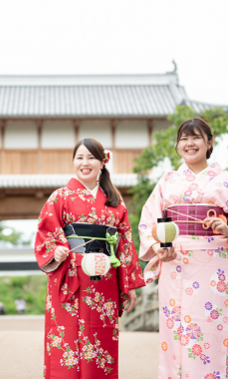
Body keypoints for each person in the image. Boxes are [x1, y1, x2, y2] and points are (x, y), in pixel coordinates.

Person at [139, 118, 228, 379]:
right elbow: (147, 221)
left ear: (209, 143)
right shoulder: (168, 181)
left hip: (214, 264)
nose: (189, 143)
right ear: (177, 145)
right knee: (175, 330)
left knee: (213, 327)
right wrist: (160, 247)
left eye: (196, 137)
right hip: (175, 261)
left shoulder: (226, 180)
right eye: (183, 139)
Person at [35, 138, 145, 378]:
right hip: (70, 278)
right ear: (73, 161)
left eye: (91, 158)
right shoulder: (59, 197)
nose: (84, 163)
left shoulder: (115, 202)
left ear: (102, 163)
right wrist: (57, 251)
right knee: (66, 338)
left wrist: (130, 285)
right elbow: (46, 234)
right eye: (79, 158)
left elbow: (125, 244)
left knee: (100, 341)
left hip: (103, 281)